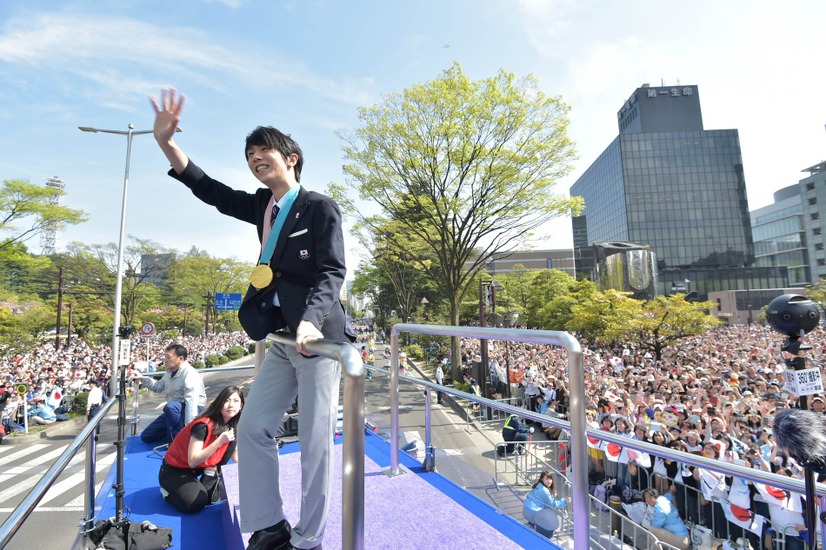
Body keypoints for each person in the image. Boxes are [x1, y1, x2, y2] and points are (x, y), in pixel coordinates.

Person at [150, 89, 355, 550]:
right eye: (249, 155)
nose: (256, 159)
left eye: (265, 151)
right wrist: (167, 144)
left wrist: (311, 319)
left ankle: (309, 538)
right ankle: (269, 523)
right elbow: (211, 191)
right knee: (254, 427)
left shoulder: (319, 207)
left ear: (292, 158)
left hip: (319, 340)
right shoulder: (264, 207)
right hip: (281, 340)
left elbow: (332, 272)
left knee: (315, 442)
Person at [159, 386, 244, 514]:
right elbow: (192, 461)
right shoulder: (203, 425)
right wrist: (219, 441)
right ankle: (167, 492)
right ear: (219, 403)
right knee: (195, 504)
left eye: (236, 401)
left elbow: (236, 456)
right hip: (175, 469)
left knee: (211, 499)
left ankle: (211, 475)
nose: (231, 405)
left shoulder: (232, 426)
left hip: (200, 467)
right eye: (227, 400)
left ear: (241, 405)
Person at [131, 344, 207, 444]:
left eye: (168, 357)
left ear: (180, 358)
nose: (165, 360)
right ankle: (173, 433)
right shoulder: (170, 372)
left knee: (170, 406)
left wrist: (190, 429)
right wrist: (142, 378)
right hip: (174, 410)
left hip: (193, 408)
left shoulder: (190, 374)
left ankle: (178, 442)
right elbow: (158, 387)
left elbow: (191, 403)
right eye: (164, 357)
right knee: (147, 436)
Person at [522, 470, 570, 539]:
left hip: (527, 510)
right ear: (542, 479)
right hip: (531, 513)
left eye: (550, 479)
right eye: (547, 479)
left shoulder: (539, 485)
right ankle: (546, 534)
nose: (549, 481)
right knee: (550, 512)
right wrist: (565, 501)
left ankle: (531, 524)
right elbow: (553, 504)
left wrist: (552, 496)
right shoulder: (544, 490)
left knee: (546, 509)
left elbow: (545, 502)